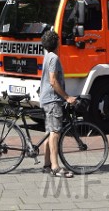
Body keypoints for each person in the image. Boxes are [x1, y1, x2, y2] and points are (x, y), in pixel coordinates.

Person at [39, 29, 76, 178]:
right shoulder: (53, 57)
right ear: (57, 43)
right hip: (53, 99)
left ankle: (47, 164)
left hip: (46, 98)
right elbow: (53, 80)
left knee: (49, 132)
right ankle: (55, 166)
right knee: (55, 132)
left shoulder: (47, 56)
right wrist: (67, 97)